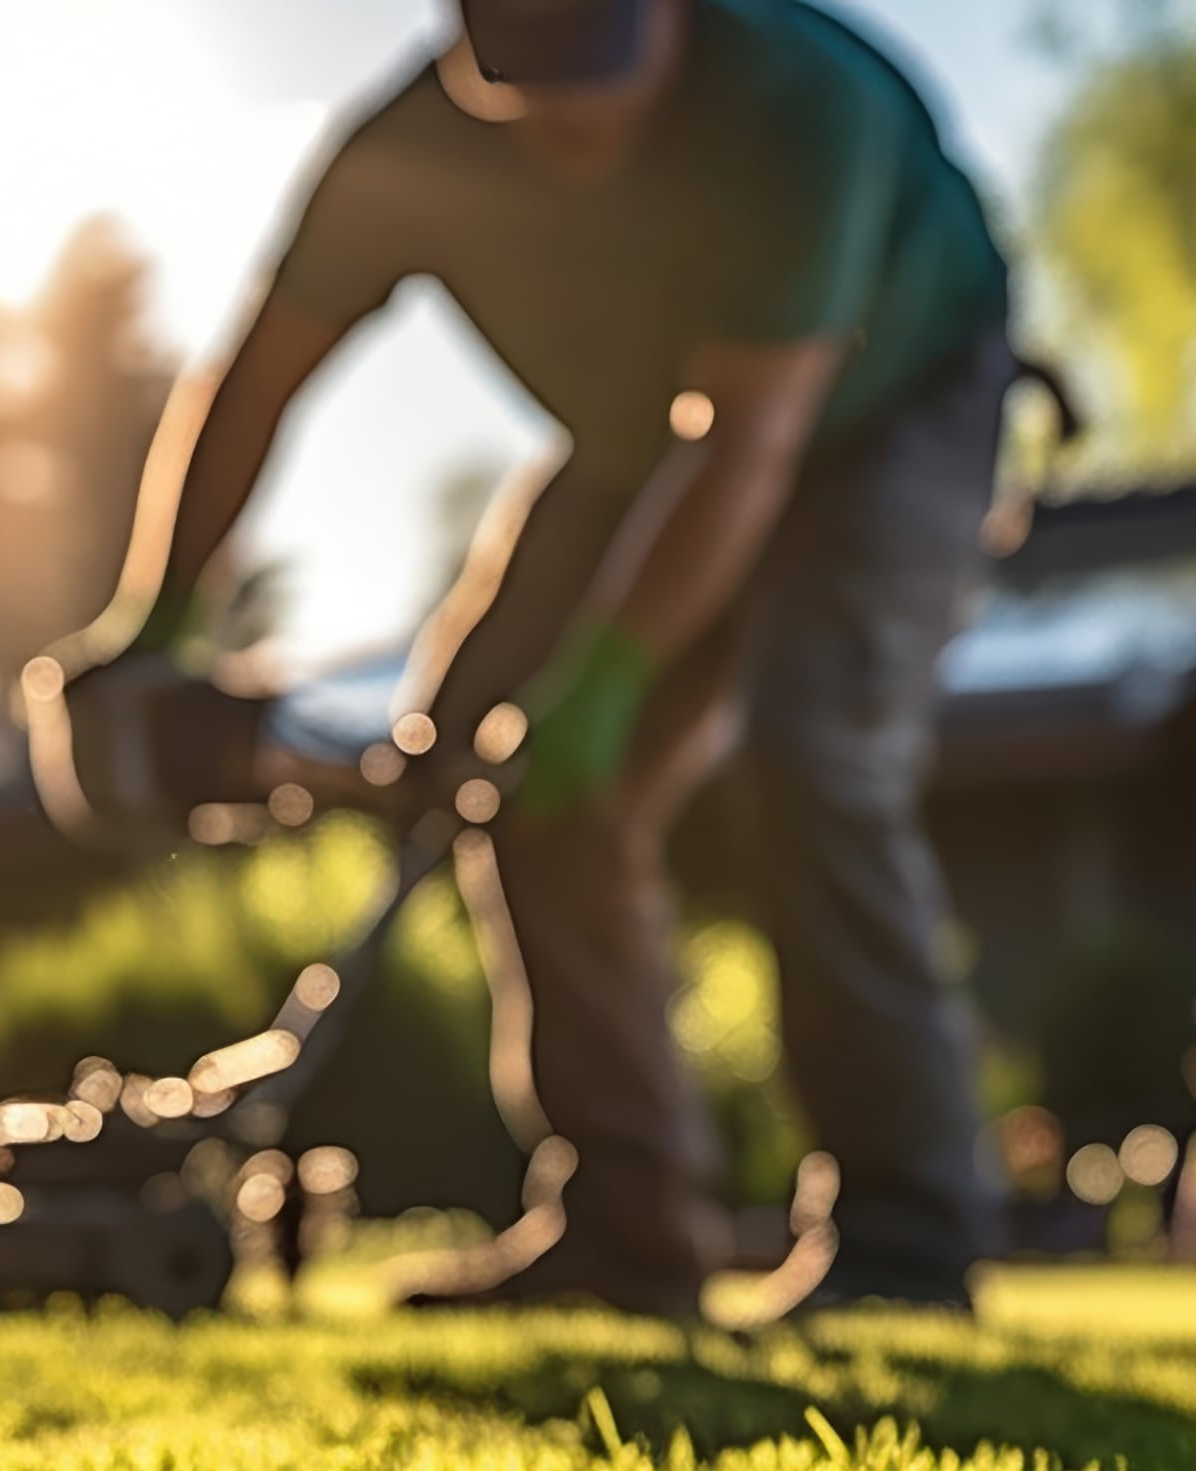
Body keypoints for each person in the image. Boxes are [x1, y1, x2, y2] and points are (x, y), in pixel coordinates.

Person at [51, 0, 1022, 1320]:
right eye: (523, 80)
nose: (566, 118)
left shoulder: (802, 103)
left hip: (886, 414)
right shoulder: (404, 149)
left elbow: (747, 449)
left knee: (812, 747)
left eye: (598, 73)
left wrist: (611, 678)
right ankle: (626, 1236)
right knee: (489, 760)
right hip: (643, 441)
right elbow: (259, 376)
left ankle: (908, 1244)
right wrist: (155, 615)